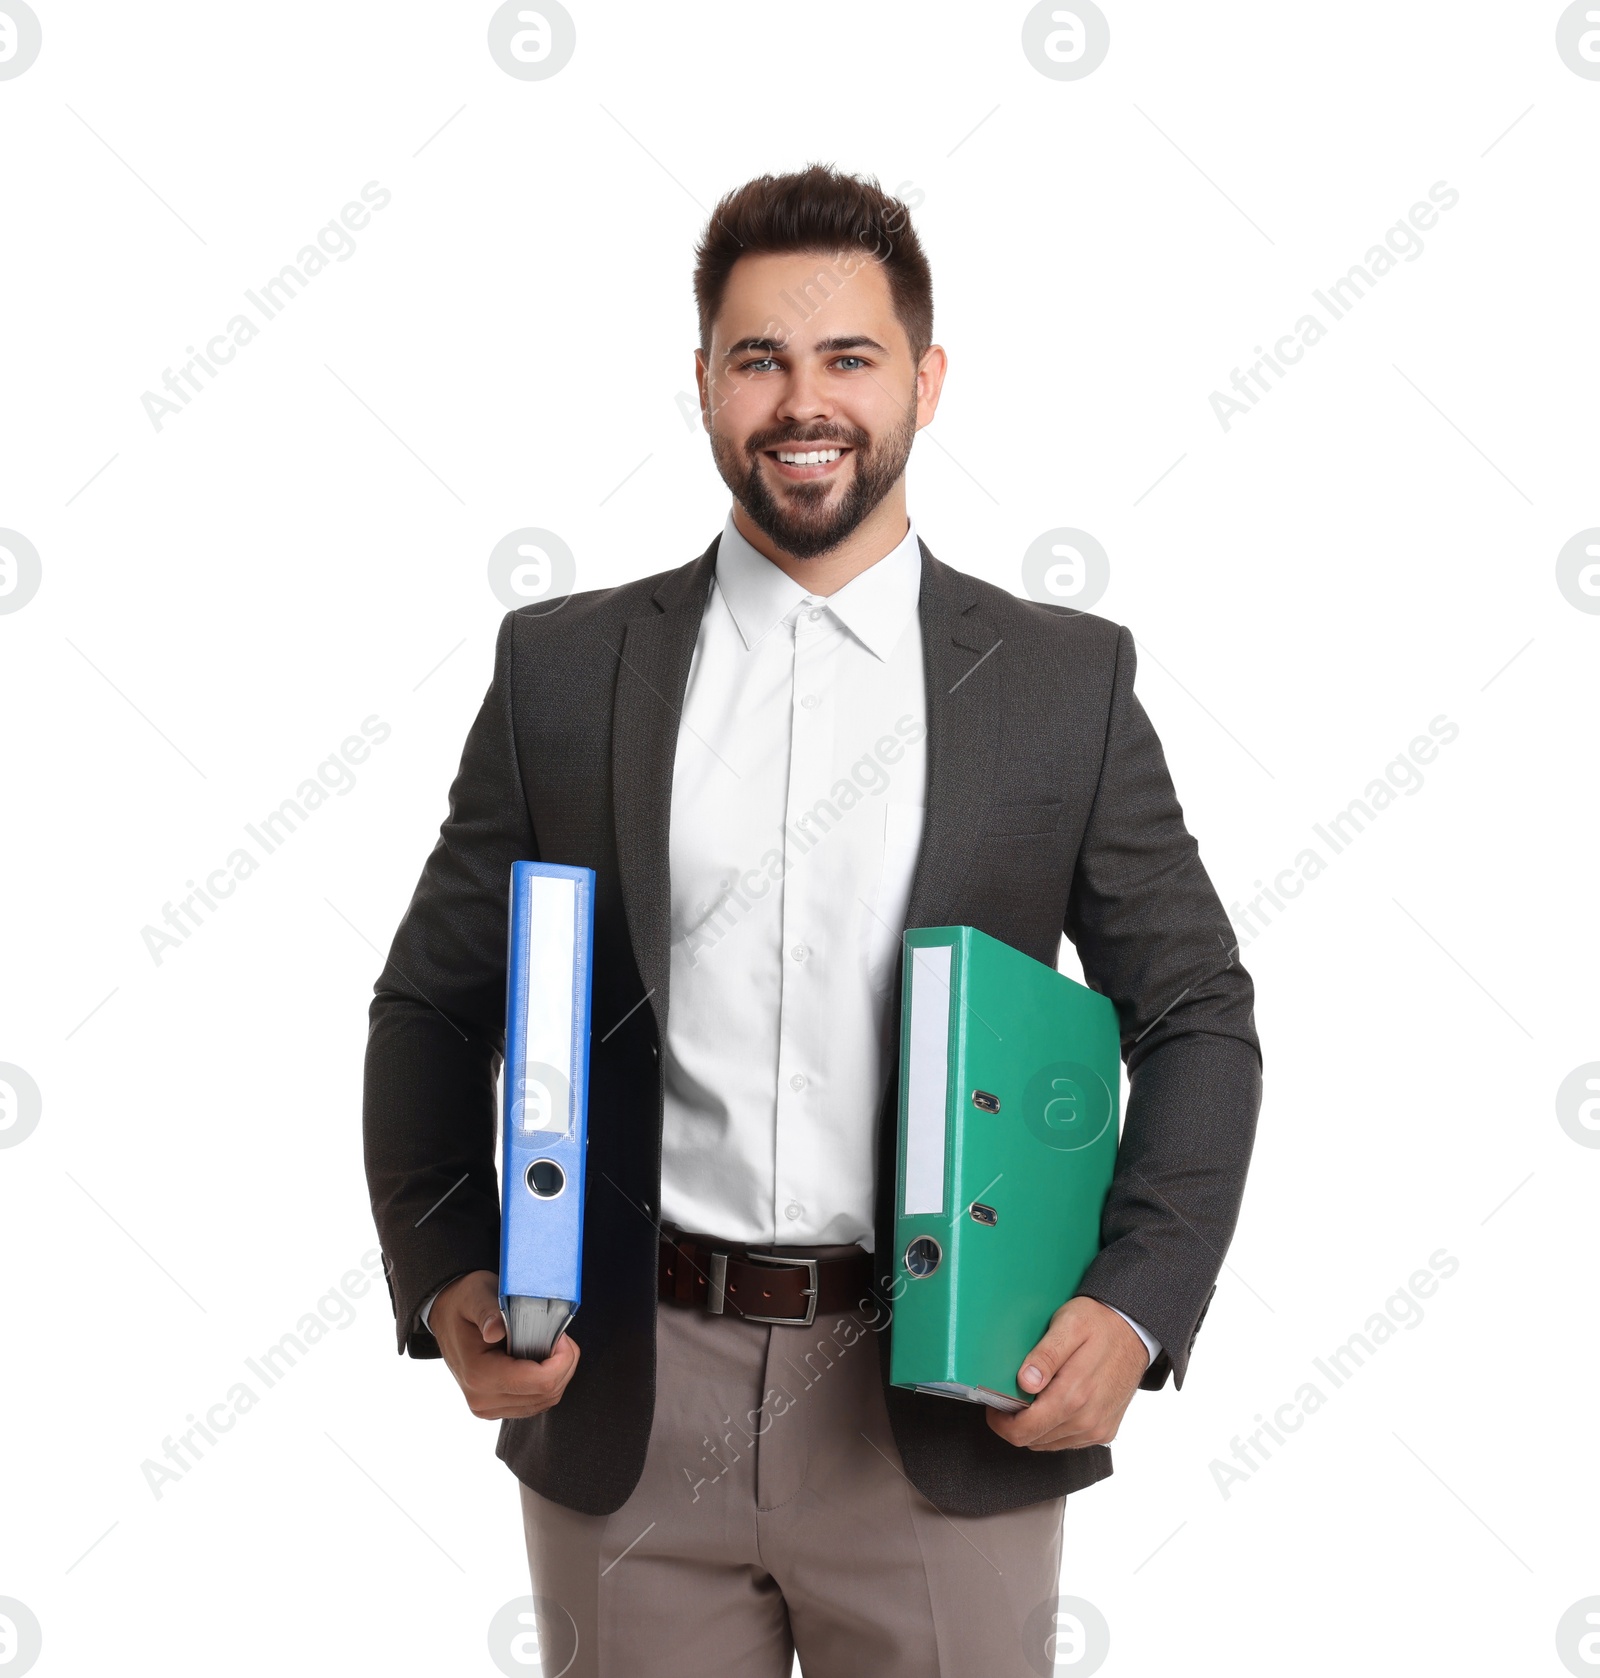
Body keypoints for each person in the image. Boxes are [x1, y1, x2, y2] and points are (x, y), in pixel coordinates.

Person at [362, 165, 1262, 1677]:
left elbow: (1195, 1015)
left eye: (848, 356)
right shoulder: (563, 672)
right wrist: (448, 1267)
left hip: (949, 1385)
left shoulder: (1062, 682)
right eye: (759, 358)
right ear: (704, 382)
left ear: (925, 377)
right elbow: (432, 1005)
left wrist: (1138, 1299)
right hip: (627, 1388)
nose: (804, 400)